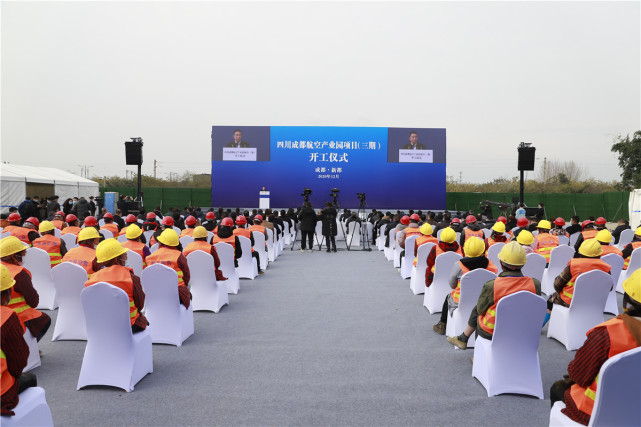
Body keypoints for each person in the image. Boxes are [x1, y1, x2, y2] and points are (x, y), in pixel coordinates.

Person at [550, 269, 641, 425]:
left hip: (597, 412)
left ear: (628, 299)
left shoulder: (607, 334)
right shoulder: (606, 267)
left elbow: (579, 375)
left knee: (557, 388)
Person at [446, 242, 542, 349]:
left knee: (479, 313)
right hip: (524, 331)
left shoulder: (492, 285)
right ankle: (464, 339)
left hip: (493, 332)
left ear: (501, 263)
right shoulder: (535, 284)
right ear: (523, 264)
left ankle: (476, 353)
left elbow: (480, 309)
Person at [432, 237, 498, 335]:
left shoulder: (459, 265)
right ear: (483, 250)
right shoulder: (491, 266)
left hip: (461, 302)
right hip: (484, 302)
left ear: (465, 249)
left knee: (448, 297)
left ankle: (442, 325)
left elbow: (452, 285)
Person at [85, 240, 149, 333]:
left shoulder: (92, 279)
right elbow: (140, 305)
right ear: (116, 259)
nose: (126, 255)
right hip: (128, 325)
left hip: (101, 324)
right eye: (124, 253)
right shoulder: (132, 278)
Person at [546, 239, 611, 324]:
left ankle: (540, 325)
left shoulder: (573, 265)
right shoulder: (606, 268)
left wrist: (560, 292)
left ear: (580, 253)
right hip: (594, 303)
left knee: (550, 300)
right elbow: (609, 287)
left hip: (571, 301)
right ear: (599, 254)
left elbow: (557, 284)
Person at [0, 264, 36, 417]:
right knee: (30, 378)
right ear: (5, 293)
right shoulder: (6, 317)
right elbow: (20, 359)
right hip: (2, 393)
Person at [0, 236, 51, 342]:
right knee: (45, 319)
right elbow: (33, 302)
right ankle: (30, 346)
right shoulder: (20, 274)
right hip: (13, 315)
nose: (23, 257)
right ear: (14, 256)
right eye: (22, 254)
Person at [146, 229, 191, 308]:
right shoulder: (179, 255)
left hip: (155, 293)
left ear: (160, 242)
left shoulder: (149, 258)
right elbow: (186, 275)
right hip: (176, 293)